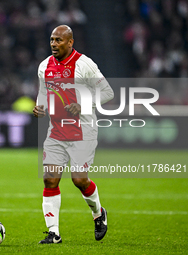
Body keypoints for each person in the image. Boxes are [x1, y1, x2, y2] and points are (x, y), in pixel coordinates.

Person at [33, 25, 114, 244]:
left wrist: (83, 104)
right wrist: (39, 106)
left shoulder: (84, 64)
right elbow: (43, 92)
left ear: (70, 42)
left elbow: (108, 92)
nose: (53, 44)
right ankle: (54, 233)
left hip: (83, 130)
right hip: (56, 131)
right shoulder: (44, 66)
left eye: (59, 40)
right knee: (50, 180)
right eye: (51, 39)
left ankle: (98, 213)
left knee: (79, 180)